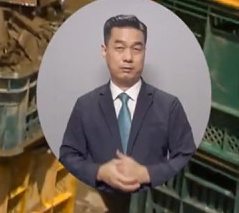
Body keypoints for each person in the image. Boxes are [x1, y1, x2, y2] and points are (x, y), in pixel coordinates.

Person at [59, 15, 195, 200]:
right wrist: (99, 172)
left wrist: (147, 173)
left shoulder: (169, 106)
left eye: (136, 49)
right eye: (120, 48)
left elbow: (186, 157)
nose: (128, 58)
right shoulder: (85, 105)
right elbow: (68, 156)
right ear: (104, 51)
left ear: (145, 52)